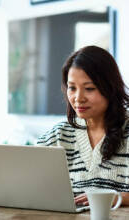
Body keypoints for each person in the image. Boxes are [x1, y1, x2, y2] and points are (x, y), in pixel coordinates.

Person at [37, 46, 129, 206]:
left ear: (110, 87)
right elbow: (25, 180)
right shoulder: (59, 135)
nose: (78, 98)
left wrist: (115, 199)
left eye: (89, 89)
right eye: (72, 88)